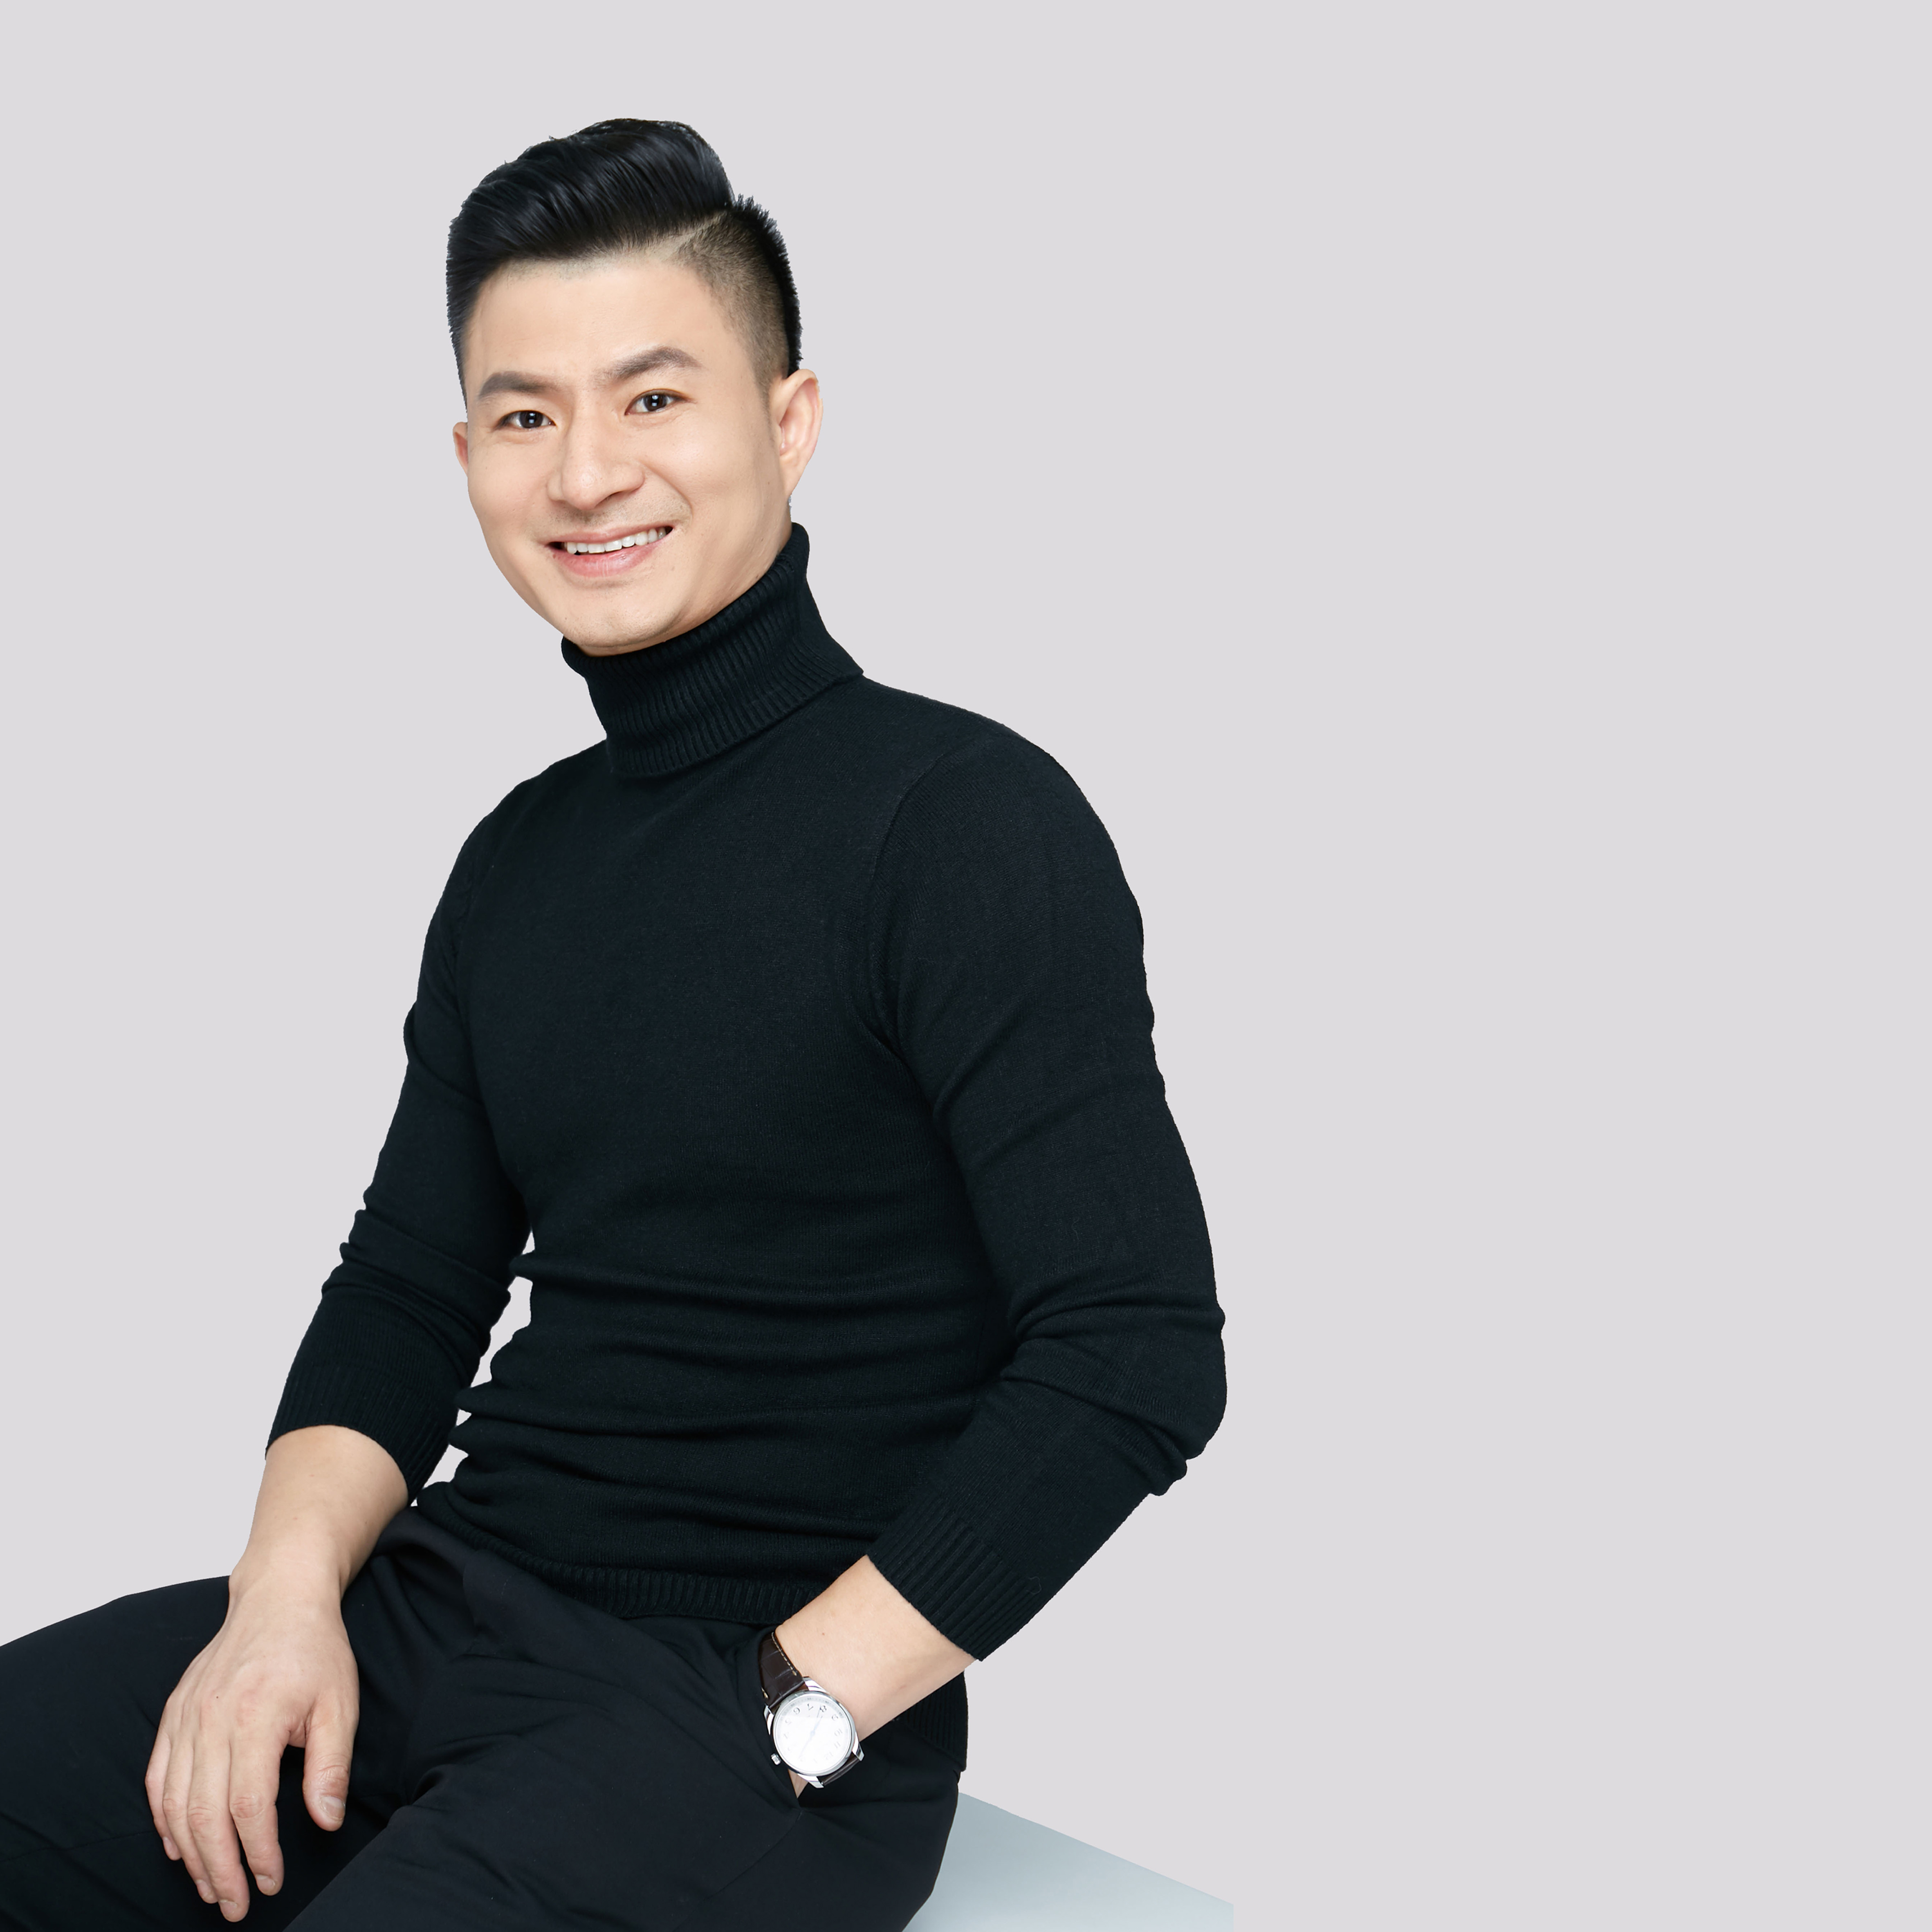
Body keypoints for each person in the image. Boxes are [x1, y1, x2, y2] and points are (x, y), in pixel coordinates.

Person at [0, 119, 1225, 1931]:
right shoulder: (519, 861)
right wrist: (278, 1608)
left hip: (757, 1713)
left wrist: (794, 1715)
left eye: (655, 399)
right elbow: (408, 1290)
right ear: (467, 456)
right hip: (452, 1607)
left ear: (790, 421)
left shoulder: (966, 824)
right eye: (525, 415)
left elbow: (1136, 1349)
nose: (587, 472)